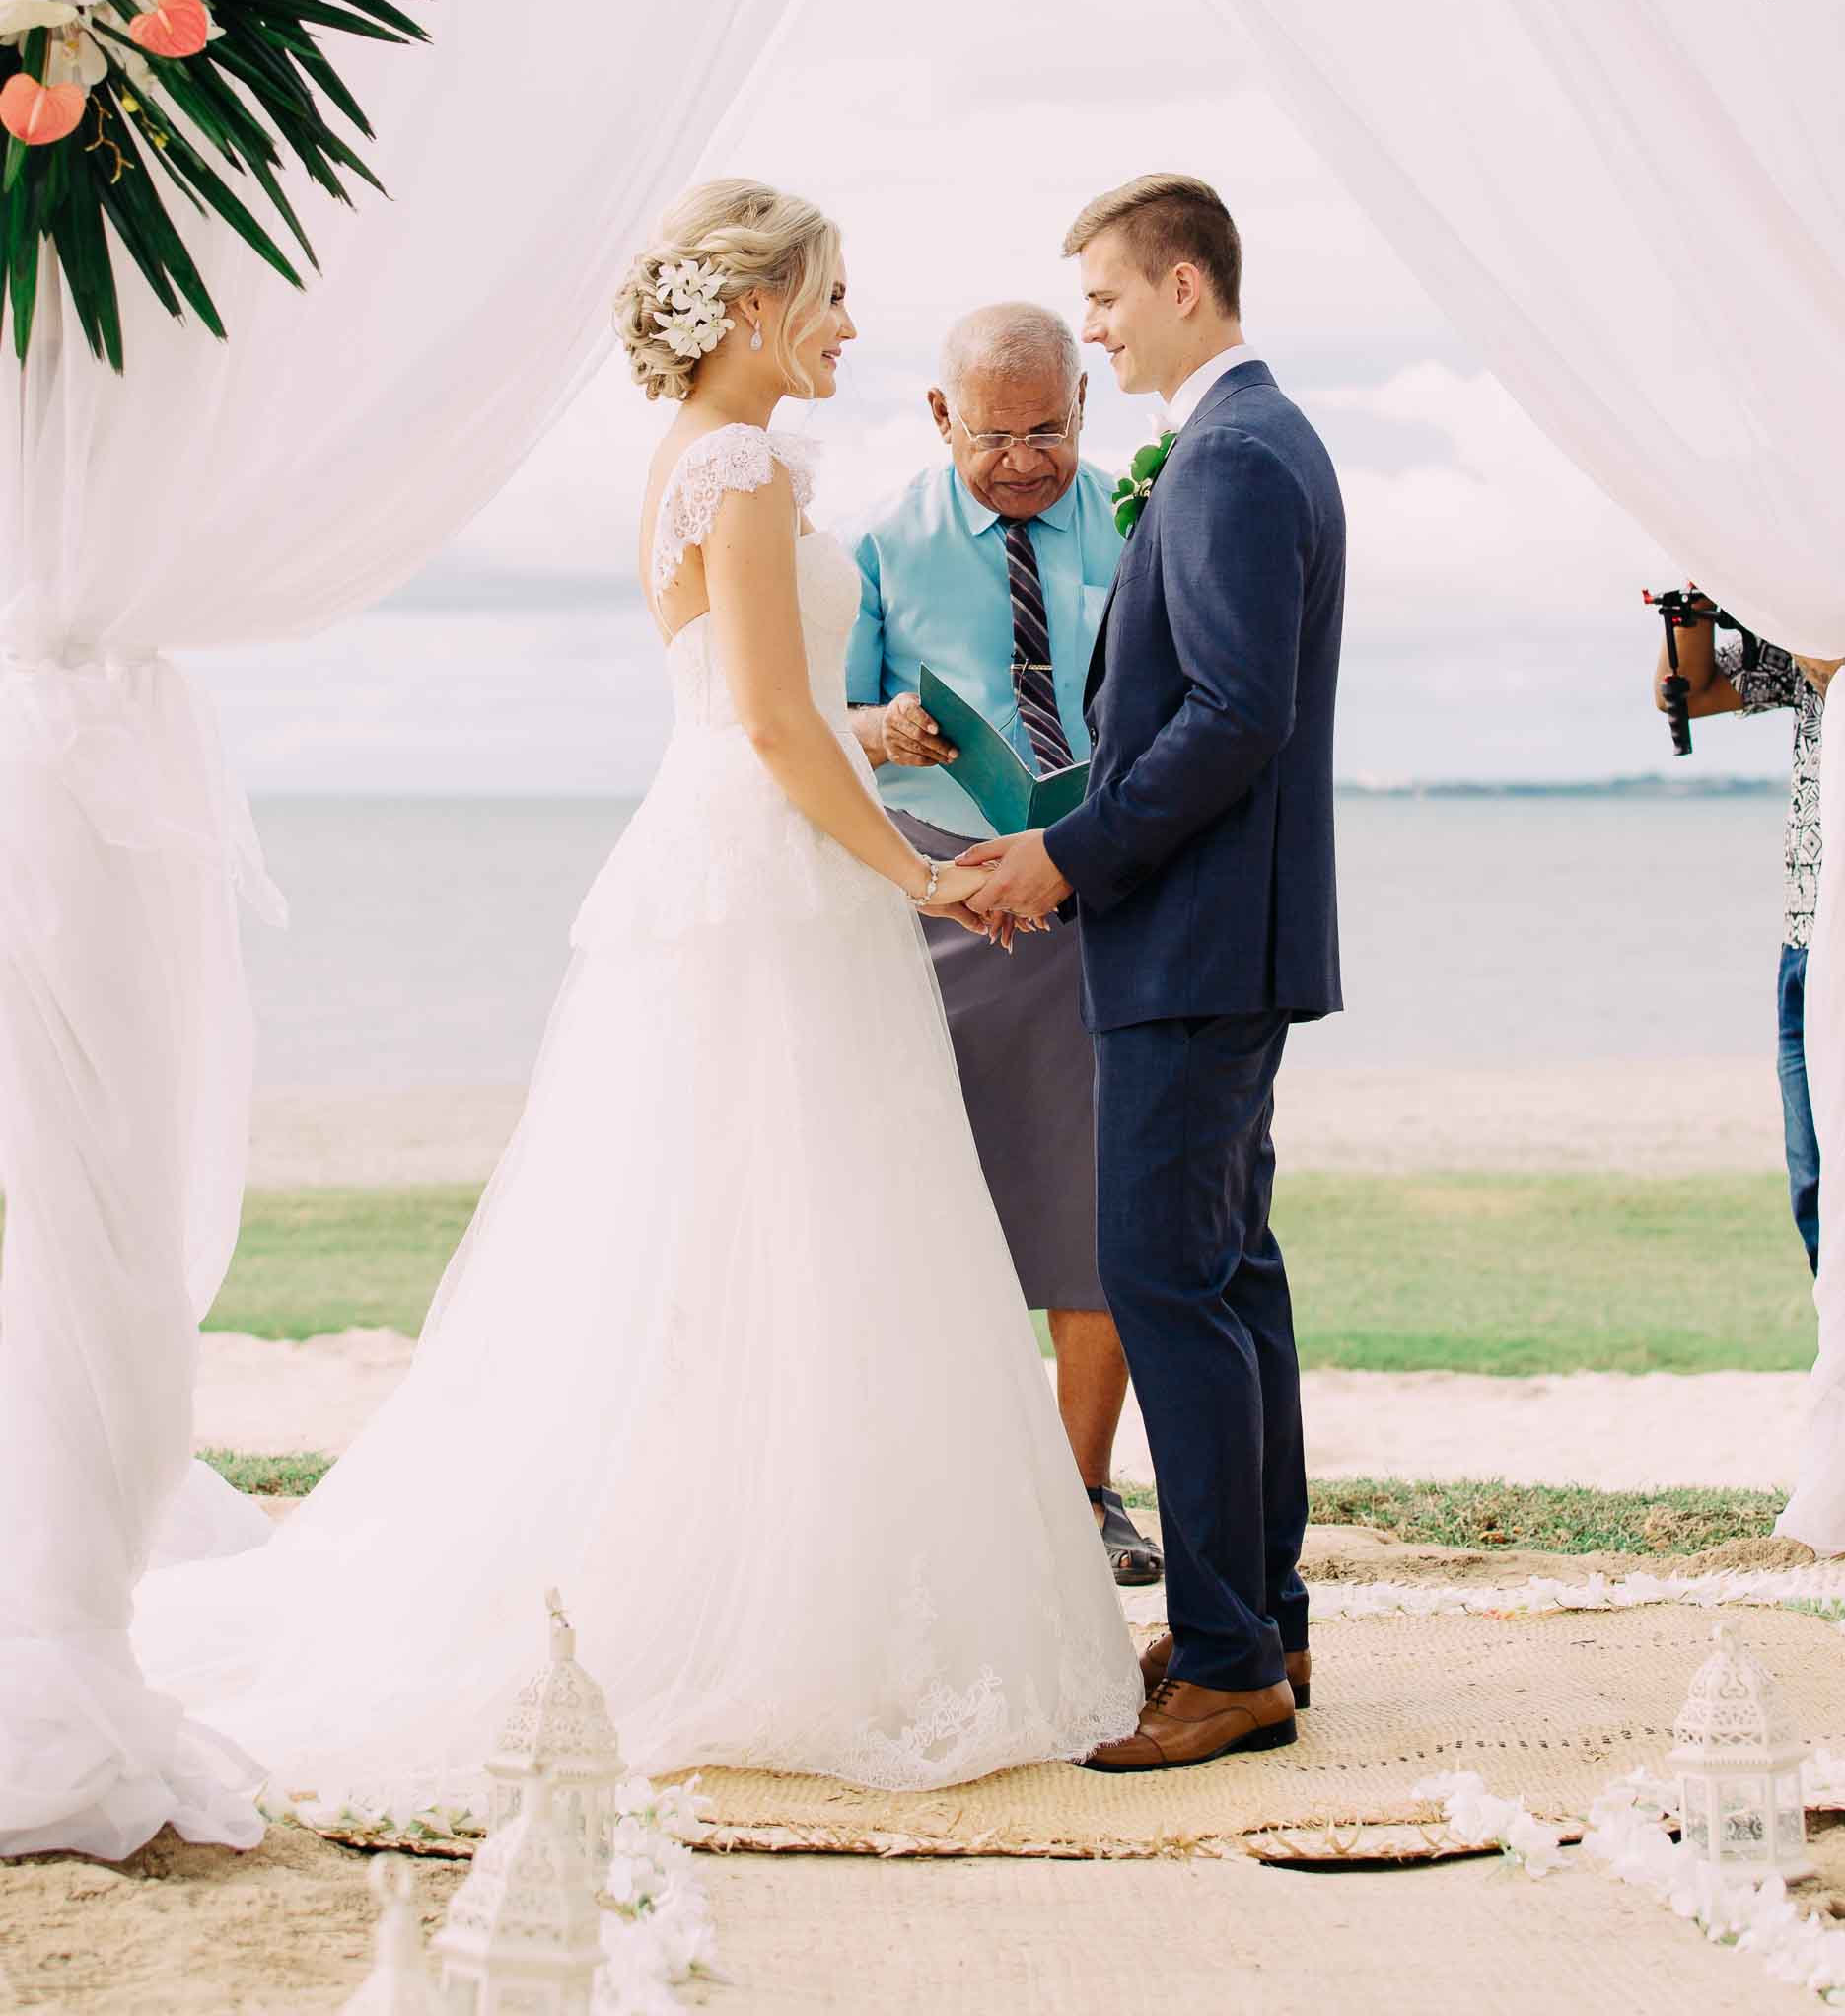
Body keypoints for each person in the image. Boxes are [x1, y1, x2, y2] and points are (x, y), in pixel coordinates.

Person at [135, 180, 1140, 1814]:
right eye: (829, 295)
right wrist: (924, 874)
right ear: (753, 310)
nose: (847, 325)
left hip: (741, 857)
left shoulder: (717, 458)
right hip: (772, 879)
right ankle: (760, 1602)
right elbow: (762, 723)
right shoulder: (737, 464)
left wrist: (863, 734)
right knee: (797, 1226)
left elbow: (760, 700)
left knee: (744, 1229)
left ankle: (763, 1551)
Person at [963, 173, 1345, 1774]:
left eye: (1107, 301)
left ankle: (1234, 1662)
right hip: (1208, 941)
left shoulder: (1239, 456)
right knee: (1226, 1279)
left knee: (1168, 1285)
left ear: (1182, 282)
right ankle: (1250, 1614)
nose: (1096, 330)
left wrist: (1072, 855)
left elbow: (1234, 717)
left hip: (1191, 943)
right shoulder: (1243, 445)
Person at [846, 303, 1159, 1587]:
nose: (1026, 459)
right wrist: (886, 728)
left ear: (1085, 412)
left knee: (1101, 1210)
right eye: (996, 435)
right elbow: (821, 718)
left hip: (1103, 897)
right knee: (931, 1210)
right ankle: (943, 1489)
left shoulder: (1138, 528)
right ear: (939, 418)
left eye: (1049, 432)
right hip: (943, 904)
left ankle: (1082, 1492)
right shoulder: (880, 544)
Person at [1653, 604, 1839, 1273]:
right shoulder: (1822, 618)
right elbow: (1688, 690)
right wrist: (1700, 603)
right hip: (1808, 936)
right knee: (1817, 1192)